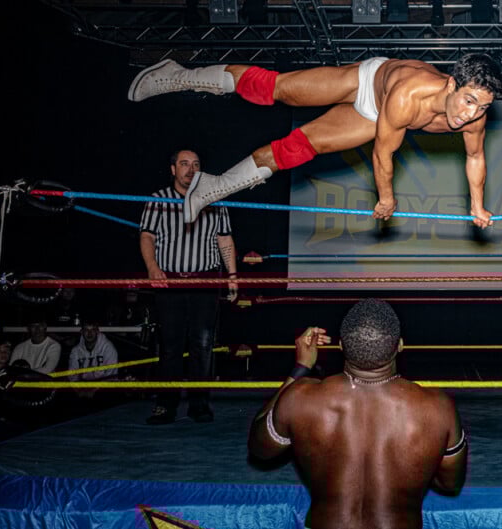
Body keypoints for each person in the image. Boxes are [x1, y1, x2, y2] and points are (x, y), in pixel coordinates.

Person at [128, 54, 502, 227]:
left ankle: (214, 186)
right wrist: (387, 199)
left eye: (481, 107)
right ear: (452, 84)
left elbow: (475, 158)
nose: (469, 114)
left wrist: (477, 206)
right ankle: (178, 75)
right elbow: (382, 154)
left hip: (373, 117)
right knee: (277, 90)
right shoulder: (410, 95)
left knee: (300, 148)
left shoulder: (474, 117)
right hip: (366, 82)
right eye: (469, 101)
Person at [248, 299, 467, 529]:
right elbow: (450, 484)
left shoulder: (301, 398)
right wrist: (415, 466)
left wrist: (301, 368)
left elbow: (260, 449)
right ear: (400, 345)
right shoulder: (436, 408)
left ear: (341, 345)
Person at [139, 149, 239, 425]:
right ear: (173, 169)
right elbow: (147, 236)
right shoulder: (158, 200)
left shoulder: (215, 199)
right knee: (170, 345)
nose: (190, 169)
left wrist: (232, 276)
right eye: (184, 164)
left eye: (196, 164)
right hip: (168, 279)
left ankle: (199, 404)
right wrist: (152, 268)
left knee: (203, 344)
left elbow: (225, 240)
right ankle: (165, 405)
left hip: (204, 280)